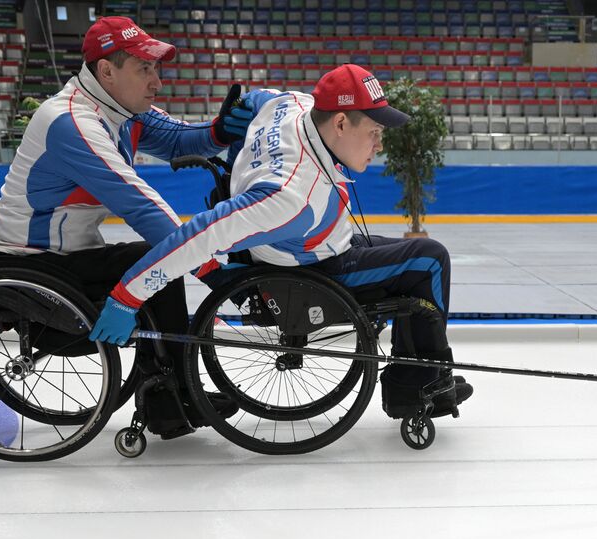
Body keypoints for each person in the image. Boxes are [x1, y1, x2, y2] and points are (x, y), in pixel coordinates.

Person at [88, 63, 471, 422]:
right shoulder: (288, 198)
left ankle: (413, 379)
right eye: (374, 133)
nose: (379, 145)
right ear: (340, 123)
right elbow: (199, 237)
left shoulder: (291, 105)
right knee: (430, 258)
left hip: (313, 242)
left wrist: (237, 113)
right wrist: (128, 296)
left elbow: (256, 98)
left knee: (414, 259)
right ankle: (423, 384)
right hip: (313, 267)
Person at [0, 16, 255, 438]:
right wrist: (206, 265)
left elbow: (181, 139)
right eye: (145, 69)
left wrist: (221, 130)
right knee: (155, 264)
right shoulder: (71, 121)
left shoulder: (119, 109)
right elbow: (139, 203)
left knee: (153, 266)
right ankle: (175, 396)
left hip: (70, 256)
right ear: (106, 71)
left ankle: (170, 397)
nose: (157, 82)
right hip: (31, 265)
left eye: (156, 69)